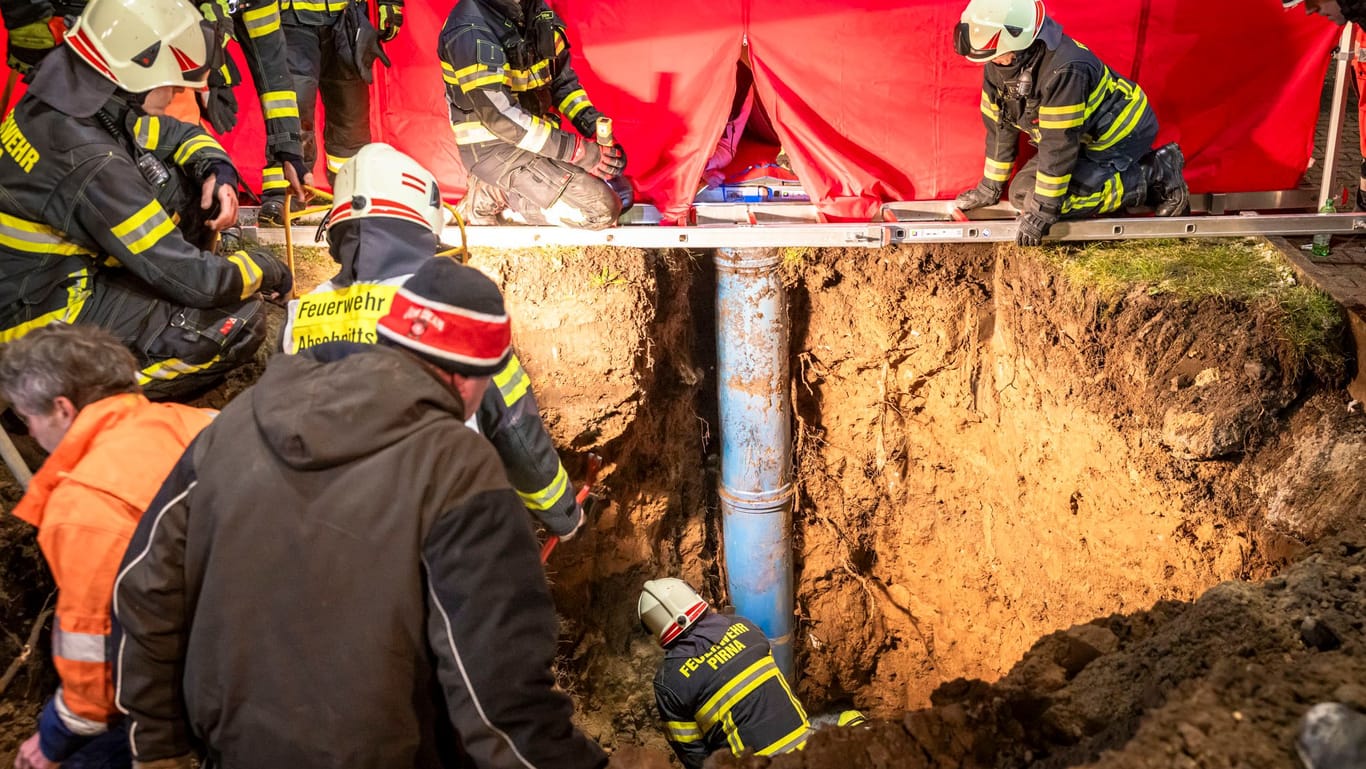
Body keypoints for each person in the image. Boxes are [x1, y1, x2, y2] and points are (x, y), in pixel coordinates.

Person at [113, 257, 607, 769]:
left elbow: (145, 592)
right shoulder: (457, 469)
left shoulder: (232, 425)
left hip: (233, 748)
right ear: (469, 378)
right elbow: (499, 696)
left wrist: (155, 746)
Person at [281, 142, 586, 538]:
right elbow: (515, 433)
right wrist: (565, 516)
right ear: (422, 225)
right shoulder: (451, 312)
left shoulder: (300, 316)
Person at [0, 0, 293, 399]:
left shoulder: (66, 103)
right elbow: (197, 282)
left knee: (180, 180)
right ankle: (53, 400)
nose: (176, 92)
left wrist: (216, 168)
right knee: (233, 326)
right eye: (172, 82)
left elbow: (174, 135)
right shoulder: (92, 160)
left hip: (35, 283)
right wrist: (264, 269)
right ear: (138, 70)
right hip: (35, 324)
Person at [0, 324, 214, 769]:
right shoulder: (209, 422)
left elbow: (96, 658)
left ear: (61, 408)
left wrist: (53, 739)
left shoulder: (83, 504)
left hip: (197, 678)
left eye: (28, 418)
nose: (33, 434)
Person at [0, 0, 311, 205]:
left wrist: (288, 147)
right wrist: (31, 21)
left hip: (155, 65)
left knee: (174, 143)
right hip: (96, 51)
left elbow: (271, 64)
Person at [952, 0, 1189, 246]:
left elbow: (1059, 145)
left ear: (1018, 42)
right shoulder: (1002, 64)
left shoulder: (1065, 69)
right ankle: (1142, 173)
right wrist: (989, 188)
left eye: (995, 55)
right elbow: (1000, 127)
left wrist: (1044, 212)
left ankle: (1154, 175)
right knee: (1021, 192)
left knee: (1050, 204)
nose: (991, 62)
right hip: (1079, 138)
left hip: (1119, 134)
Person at [439, 0, 628, 229]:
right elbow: (499, 117)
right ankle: (490, 193)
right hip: (496, 150)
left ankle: (512, 191)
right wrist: (579, 151)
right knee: (601, 210)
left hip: (536, 142)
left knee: (622, 192)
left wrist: (594, 128)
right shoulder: (469, 28)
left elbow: (562, 84)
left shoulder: (536, 10)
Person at [256, 0, 404, 226]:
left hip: (346, 19)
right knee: (293, 107)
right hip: (291, 20)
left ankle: (352, 197)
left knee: (350, 115)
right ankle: (283, 196)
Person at [641, 578, 813, 768]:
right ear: (694, 596)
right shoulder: (745, 626)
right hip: (810, 754)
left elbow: (694, 756)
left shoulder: (670, 682)